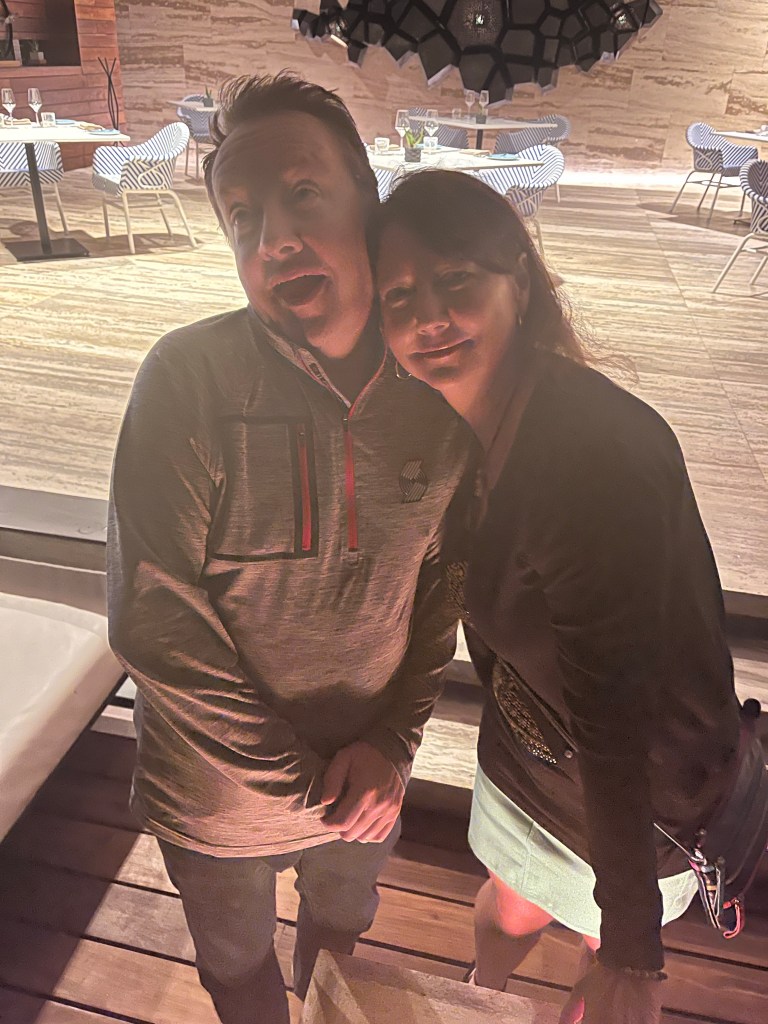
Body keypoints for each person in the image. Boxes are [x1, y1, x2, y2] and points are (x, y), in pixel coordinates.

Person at [107, 76, 469, 1024]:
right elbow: (152, 618)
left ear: (369, 204)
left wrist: (392, 747)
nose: (271, 240)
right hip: (215, 801)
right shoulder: (187, 378)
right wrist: (312, 786)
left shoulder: (439, 388)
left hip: (369, 784)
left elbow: (442, 587)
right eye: (242, 218)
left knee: (339, 943)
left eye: (303, 194)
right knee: (236, 968)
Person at [371, 169, 745, 1024]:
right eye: (399, 296)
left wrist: (633, 947)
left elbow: (615, 719)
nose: (429, 316)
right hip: (529, 759)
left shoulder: (590, 453)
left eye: (456, 280)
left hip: (645, 792)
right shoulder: (451, 428)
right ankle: (486, 996)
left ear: (520, 282)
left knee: (599, 950)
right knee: (510, 906)